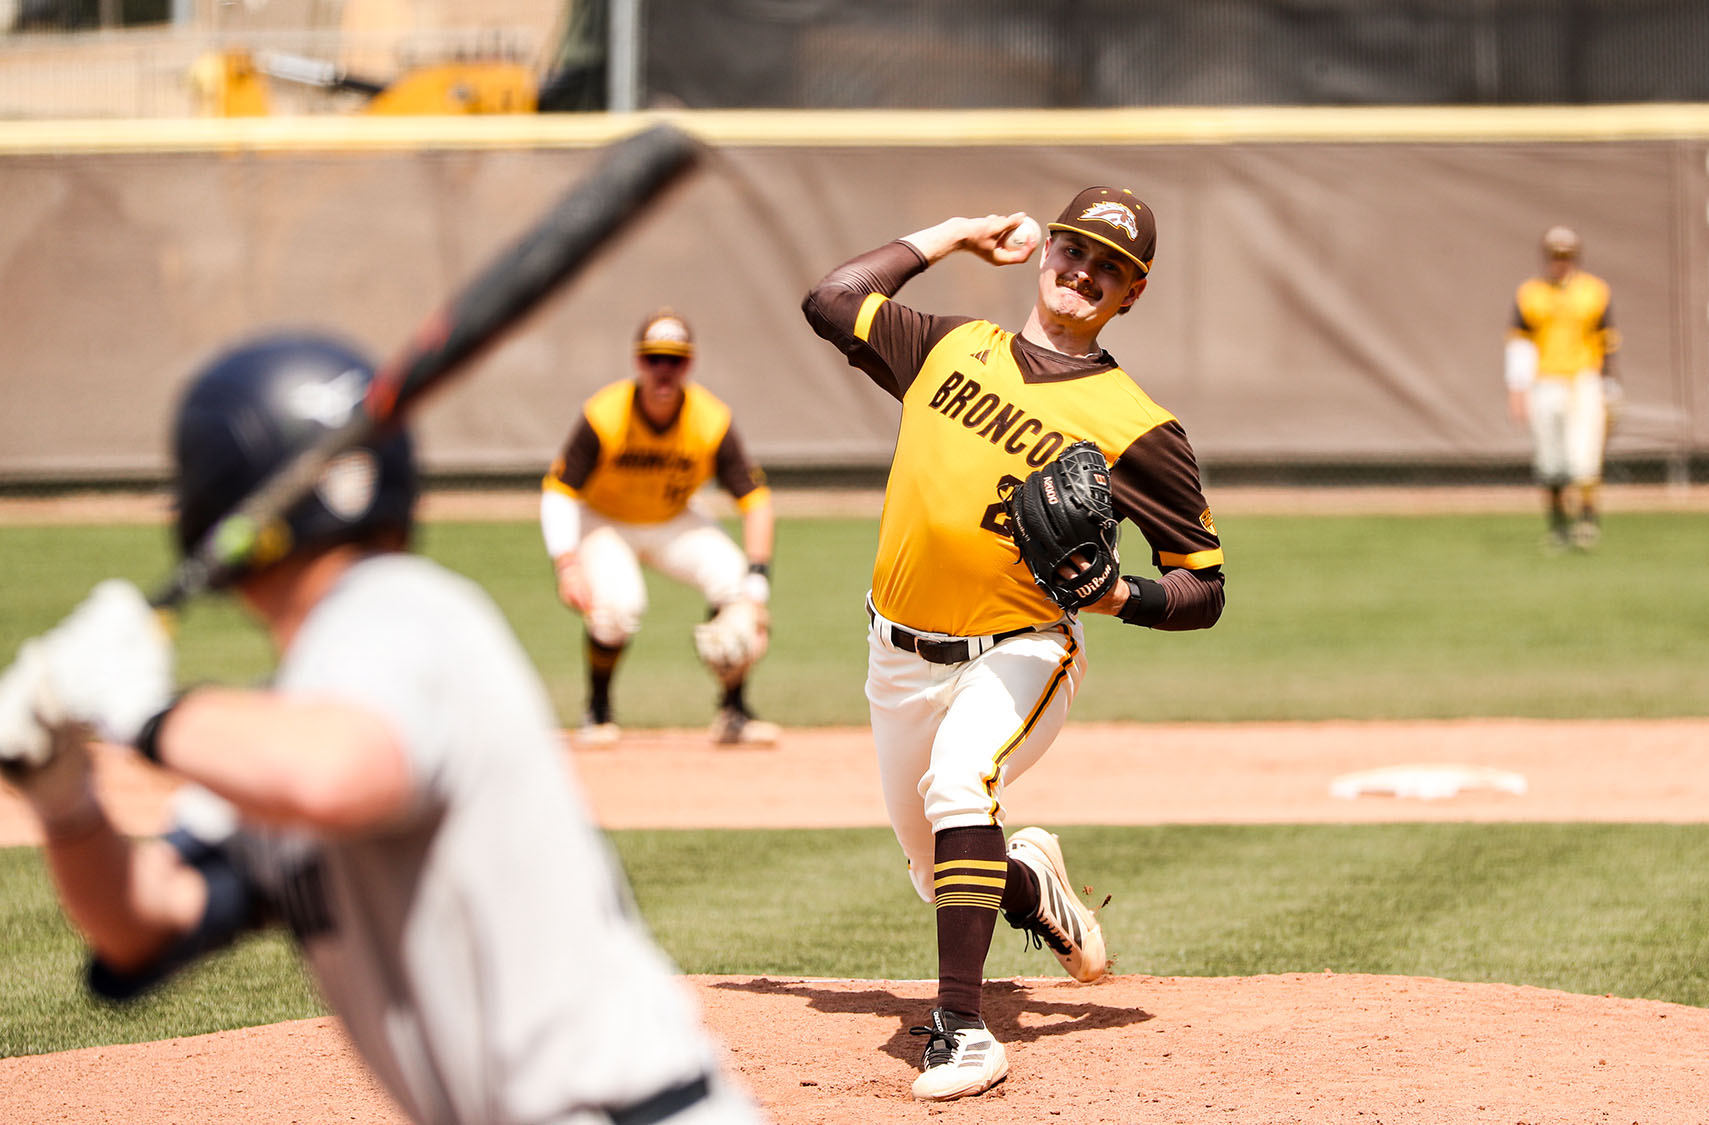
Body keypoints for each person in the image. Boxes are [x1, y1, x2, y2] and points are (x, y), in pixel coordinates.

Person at [0, 333, 766, 1125]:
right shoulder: (302, 714)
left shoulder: (403, 612)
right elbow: (143, 919)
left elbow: (344, 772)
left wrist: (145, 712)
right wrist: (65, 799)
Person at [801, 187, 1226, 1101]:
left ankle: (962, 1030)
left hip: (1021, 646)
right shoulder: (951, 347)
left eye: (1110, 268)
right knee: (936, 864)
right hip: (897, 653)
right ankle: (1031, 884)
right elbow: (832, 300)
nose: (1083, 273)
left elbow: (1204, 585)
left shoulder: (1139, 425)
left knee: (961, 783)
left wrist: (1119, 594)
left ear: (1131, 294)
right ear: (1045, 253)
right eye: (1074, 251)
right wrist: (951, 234)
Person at [541, 309, 778, 748]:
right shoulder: (605, 413)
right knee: (617, 606)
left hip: (673, 518)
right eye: (654, 359)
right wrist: (567, 563)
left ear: (689, 364)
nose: (664, 370)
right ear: (638, 361)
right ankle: (597, 710)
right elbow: (559, 490)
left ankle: (734, 713)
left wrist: (757, 585)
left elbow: (757, 501)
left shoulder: (711, 419)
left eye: (675, 360)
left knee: (735, 585)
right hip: (605, 520)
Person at [1504, 225, 1621, 550]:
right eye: (1555, 257)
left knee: (1584, 455)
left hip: (1583, 379)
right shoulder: (1531, 293)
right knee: (1550, 459)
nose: (1561, 263)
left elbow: (1606, 341)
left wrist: (1609, 384)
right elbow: (1520, 345)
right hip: (1545, 381)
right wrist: (1517, 390)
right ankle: (1558, 527)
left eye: (1566, 257)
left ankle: (1587, 523)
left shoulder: (1594, 291)